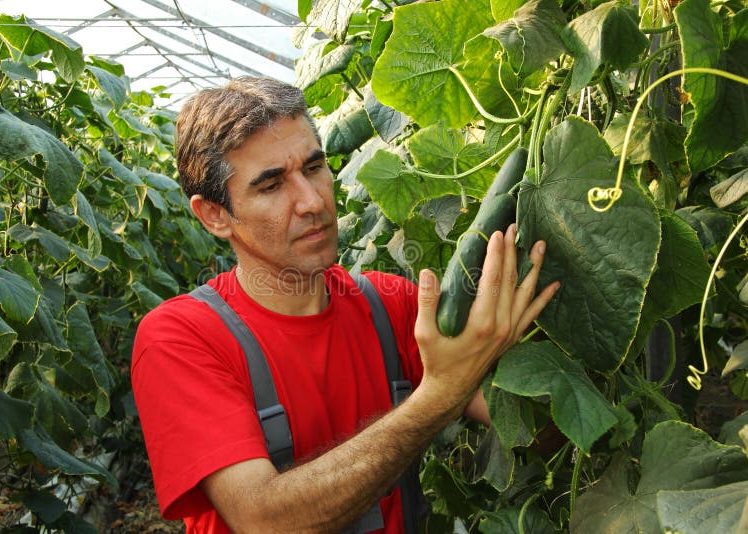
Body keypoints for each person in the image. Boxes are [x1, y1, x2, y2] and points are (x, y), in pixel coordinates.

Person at [131, 76, 560, 534]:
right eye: (272, 186)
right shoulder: (180, 337)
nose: (313, 201)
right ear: (215, 215)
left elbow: (534, 433)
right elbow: (265, 520)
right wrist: (440, 396)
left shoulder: (391, 304)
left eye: (313, 168)